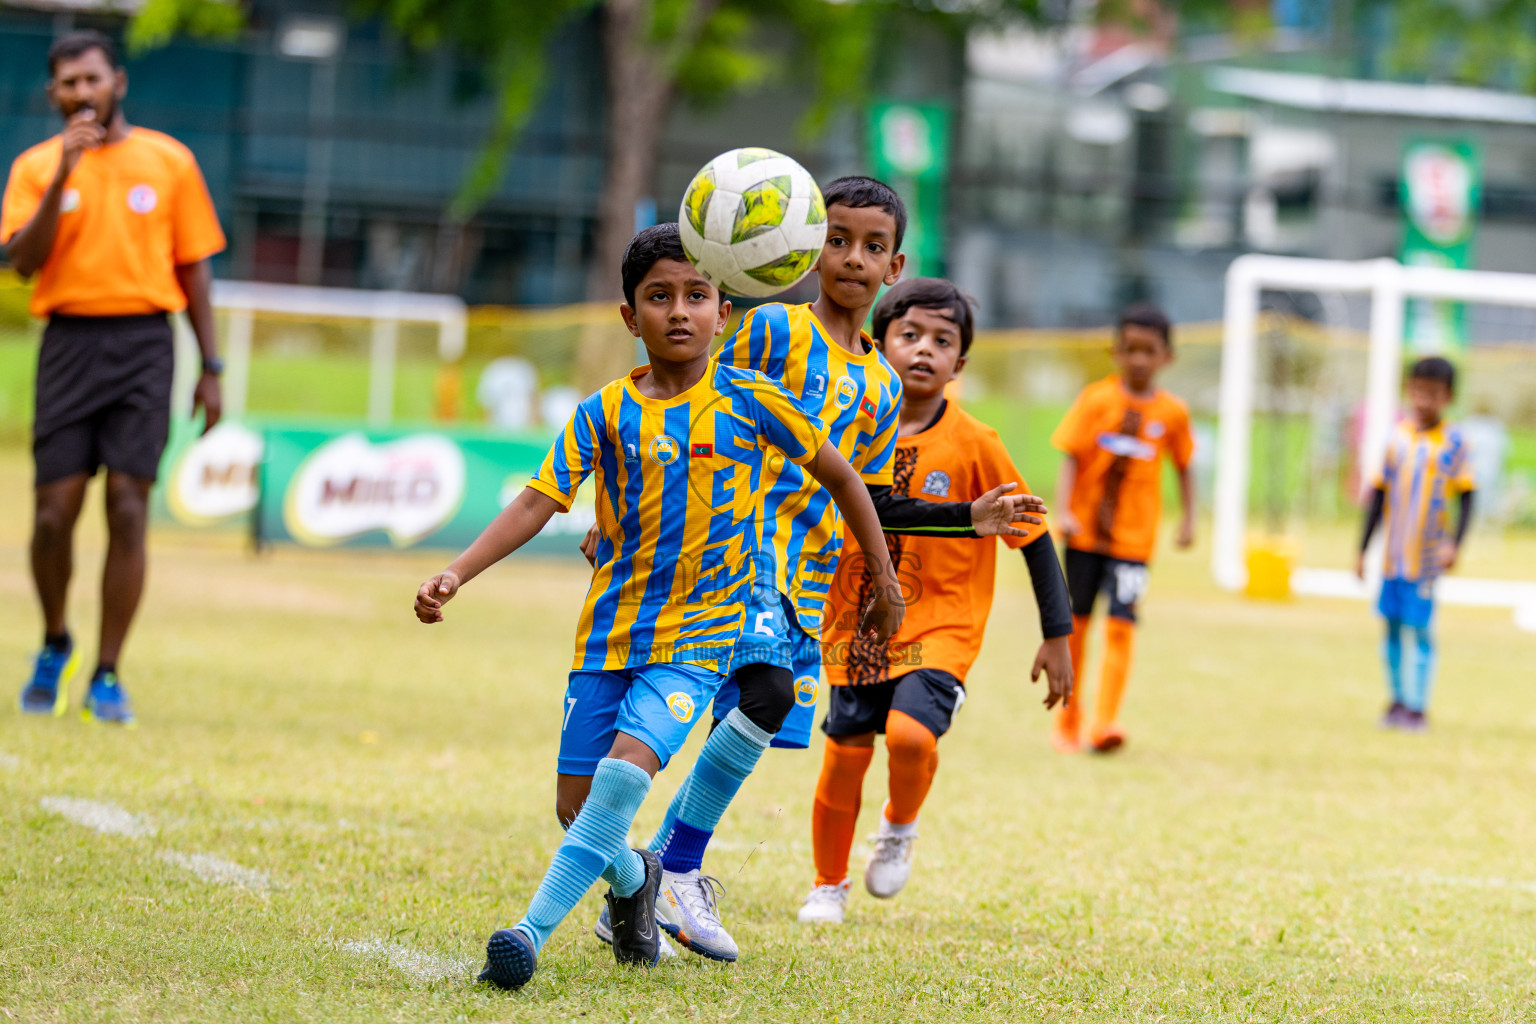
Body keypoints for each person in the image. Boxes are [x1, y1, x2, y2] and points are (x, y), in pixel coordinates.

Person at [412, 223, 906, 991]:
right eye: (659, 297)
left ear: (724, 313)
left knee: (623, 776)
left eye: (697, 295)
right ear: (629, 315)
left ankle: (526, 935)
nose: (680, 311)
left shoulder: (753, 401)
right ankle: (636, 879)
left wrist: (883, 577)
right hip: (610, 633)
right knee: (576, 808)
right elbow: (539, 500)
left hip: (701, 638)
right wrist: (457, 572)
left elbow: (844, 479)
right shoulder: (604, 411)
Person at [592, 178, 1045, 962]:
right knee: (761, 694)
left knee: (752, 716)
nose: (853, 259)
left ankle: (646, 878)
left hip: (809, 579)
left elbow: (872, 495)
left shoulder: (881, 383)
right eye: (837, 240)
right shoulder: (773, 330)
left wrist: (954, 524)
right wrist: (617, 513)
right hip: (734, 552)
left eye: (873, 247)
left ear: (894, 267)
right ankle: (674, 868)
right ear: (806, 250)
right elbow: (676, 394)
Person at [797, 278, 1075, 924]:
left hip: (942, 623)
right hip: (855, 621)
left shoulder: (976, 443)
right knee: (844, 755)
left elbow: (1033, 534)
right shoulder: (844, 427)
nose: (924, 349)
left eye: (942, 341)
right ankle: (828, 884)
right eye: (909, 335)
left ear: (960, 363)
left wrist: (1057, 634)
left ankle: (899, 823)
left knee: (910, 735)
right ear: (877, 344)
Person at [3, 30, 226, 725]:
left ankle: (107, 672)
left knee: (129, 506)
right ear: (53, 93)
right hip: (69, 343)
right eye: (68, 83)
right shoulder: (37, 166)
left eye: (92, 79)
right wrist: (65, 175)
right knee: (53, 514)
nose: (82, 93)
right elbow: (21, 262)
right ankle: (54, 643)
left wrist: (211, 367)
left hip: (145, 345)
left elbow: (193, 268)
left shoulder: (169, 161)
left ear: (118, 82)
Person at [1050, 303, 1194, 754]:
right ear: (1116, 351)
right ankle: (1068, 720)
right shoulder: (1096, 400)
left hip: (1134, 543)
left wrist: (1189, 518)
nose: (1139, 359)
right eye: (1130, 349)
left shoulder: (1173, 413)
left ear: (1166, 357)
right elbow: (1071, 455)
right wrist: (1064, 511)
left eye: (1149, 351)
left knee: (1121, 626)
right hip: (1085, 536)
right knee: (1076, 627)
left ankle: (1105, 722)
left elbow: (1185, 465)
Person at [1355, 356, 1474, 732]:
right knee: (1390, 627)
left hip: (1425, 558)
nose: (1424, 400)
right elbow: (1377, 495)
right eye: (1419, 391)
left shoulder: (1454, 443)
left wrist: (1455, 543)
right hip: (1393, 557)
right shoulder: (1397, 438)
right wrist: (1362, 549)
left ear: (1448, 397)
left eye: (1433, 394)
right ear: (1408, 390)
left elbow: (1467, 497)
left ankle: (1418, 707)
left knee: (1419, 629)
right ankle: (1397, 700)